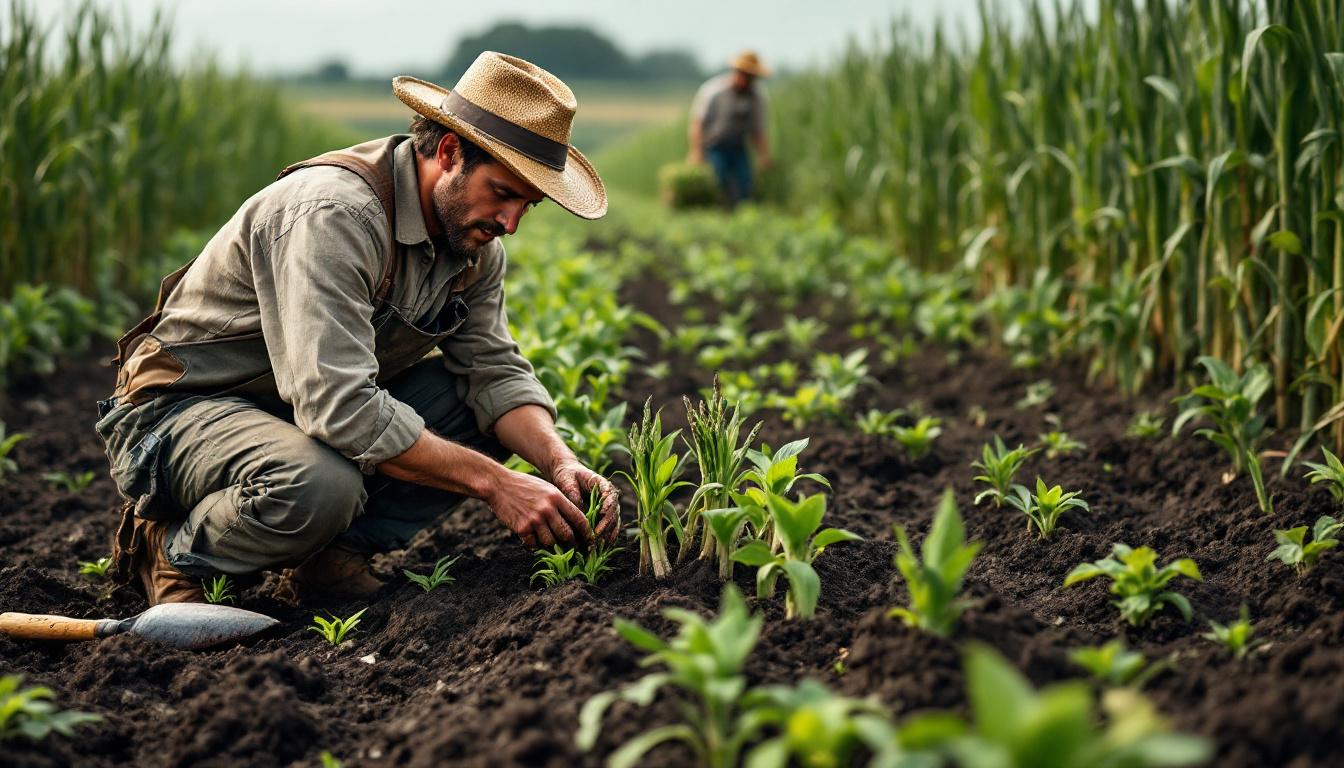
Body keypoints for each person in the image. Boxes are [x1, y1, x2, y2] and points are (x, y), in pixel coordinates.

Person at [96, 52, 620, 606]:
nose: (511, 223)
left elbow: (495, 372)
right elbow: (338, 406)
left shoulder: (472, 247)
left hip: (289, 413)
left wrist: (559, 462)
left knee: (475, 405)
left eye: (528, 205)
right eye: (504, 192)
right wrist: (496, 483)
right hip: (179, 412)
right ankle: (174, 553)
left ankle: (330, 558)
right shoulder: (334, 215)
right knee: (321, 485)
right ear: (448, 153)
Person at [688, 50, 773, 208]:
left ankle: (741, 217)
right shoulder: (713, 91)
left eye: (752, 77)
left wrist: (764, 156)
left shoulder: (757, 97)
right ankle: (720, 213)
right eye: (746, 75)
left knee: (745, 183)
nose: (749, 80)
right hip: (715, 146)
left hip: (738, 146)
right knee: (718, 182)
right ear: (737, 72)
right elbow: (698, 124)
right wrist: (697, 152)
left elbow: (758, 130)